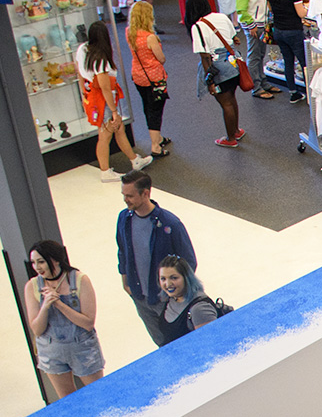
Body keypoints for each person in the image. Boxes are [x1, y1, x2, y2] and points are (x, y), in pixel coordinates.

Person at [117, 169, 198, 346]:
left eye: (130, 195)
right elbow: (122, 251)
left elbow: (189, 261)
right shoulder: (124, 219)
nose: (125, 200)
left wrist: (175, 293)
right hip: (141, 298)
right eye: (124, 195)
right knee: (162, 345)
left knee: (182, 342)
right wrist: (126, 281)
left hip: (167, 300)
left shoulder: (170, 224)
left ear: (145, 193)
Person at [23, 240, 105, 396]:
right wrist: (46, 306)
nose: (37, 267)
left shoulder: (80, 280)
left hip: (82, 346)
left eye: (41, 262)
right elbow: (37, 329)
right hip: (51, 349)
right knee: (67, 400)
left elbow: (87, 323)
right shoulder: (32, 286)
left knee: (98, 394)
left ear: (55, 259)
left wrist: (60, 305)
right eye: (33, 262)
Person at [75, 21, 153, 182]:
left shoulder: (82, 49)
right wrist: (114, 111)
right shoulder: (100, 59)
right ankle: (105, 171)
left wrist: (84, 91)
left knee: (118, 129)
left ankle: (134, 160)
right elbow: (104, 87)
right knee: (105, 134)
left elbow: (79, 72)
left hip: (93, 96)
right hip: (104, 100)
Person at [187, 0, 246, 147]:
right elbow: (234, 37)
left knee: (225, 103)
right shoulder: (221, 16)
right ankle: (236, 131)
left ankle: (230, 138)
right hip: (233, 64)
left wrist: (210, 81)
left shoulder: (197, 27)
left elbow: (205, 56)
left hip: (219, 68)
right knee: (232, 98)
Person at [126, 2, 171, 159]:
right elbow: (161, 58)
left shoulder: (129, 33)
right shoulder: (150, 37)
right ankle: (155, 145)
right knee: (156, 109)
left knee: (147, 106)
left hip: (138, 75)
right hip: (154, 79)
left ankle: (156, 137)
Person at [265, 0, 310, 103]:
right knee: (304, 62)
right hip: (294, 31)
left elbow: (271, 9)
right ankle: (310, 92)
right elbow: (301, 13)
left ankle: (293, 92)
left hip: (279, 30)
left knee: (288, 61)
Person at [235, 0, 274, 98]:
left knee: (260, 54)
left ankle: (262, 82)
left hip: (260, 22)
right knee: (254, 55)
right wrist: (250, 25)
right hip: (254, 24)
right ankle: (256, 87)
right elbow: (241, 7)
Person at [155, 255, 218, 343]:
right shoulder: (172, 298)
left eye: (174, 278)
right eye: (163, 279)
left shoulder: (199, 309)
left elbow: (209, 344)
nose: (168, 284)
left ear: (186, 278)